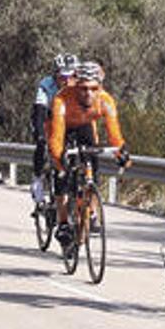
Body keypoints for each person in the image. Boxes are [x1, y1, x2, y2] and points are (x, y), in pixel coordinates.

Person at [47, 61, 130, 246]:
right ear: (76, 86)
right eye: (83, 88)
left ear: (99, 87)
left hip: (84, 127)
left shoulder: (106, 100)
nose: (88, 94)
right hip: (63, 127)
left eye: (93, 89)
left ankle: (89, 207)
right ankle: (62, 222)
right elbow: (56, 137)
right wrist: (59, 159)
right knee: (61, 173)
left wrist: (122, 155)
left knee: (94, 164)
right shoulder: (62, 99)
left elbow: (114, 133)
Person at [30, 53, 78, 206]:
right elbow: (39, 111)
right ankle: (38, 179)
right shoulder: (46, 85)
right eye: (62, 76)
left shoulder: (78, 85)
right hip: (48, 119)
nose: (66, 81)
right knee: (42, 143)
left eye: (70, 76)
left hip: (69, 119)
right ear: (55, 74)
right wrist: (40, 134)